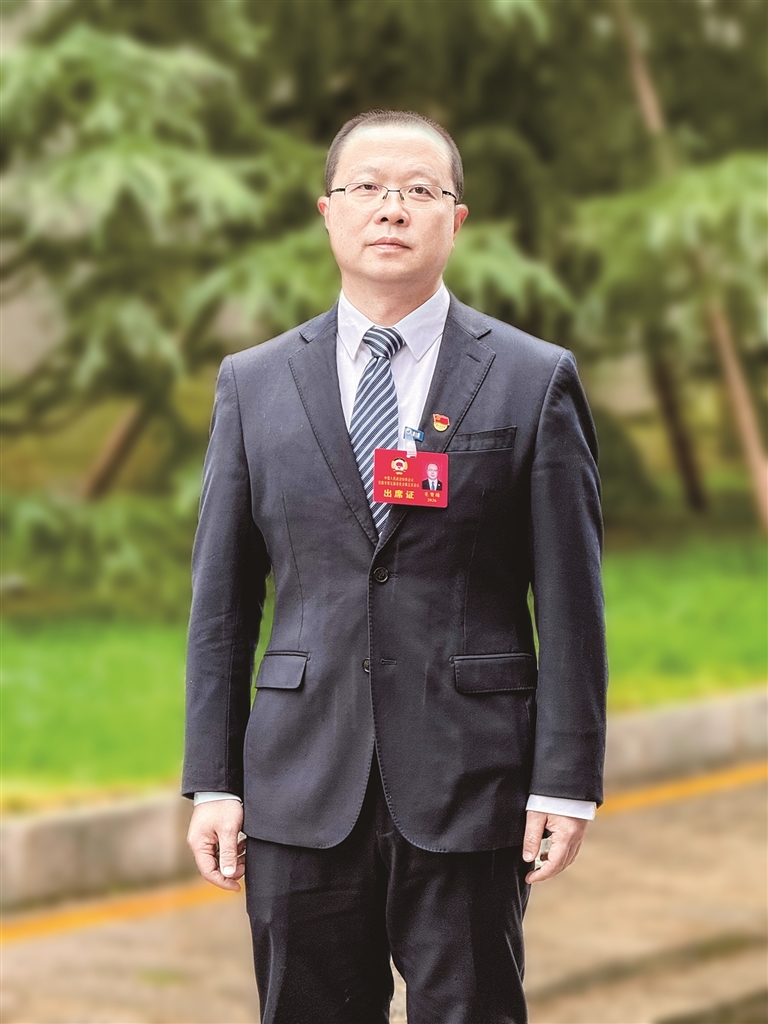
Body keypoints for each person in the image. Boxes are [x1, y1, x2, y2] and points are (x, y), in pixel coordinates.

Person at [183, 109, 607, 1024]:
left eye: (420, 190)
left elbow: (573, 603)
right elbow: (221, 604)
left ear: (456, 219)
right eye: (368, 187)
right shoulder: (253, 382)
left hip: (471, 780)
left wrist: (565, 781)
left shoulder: (532, 378)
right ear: (328, 212)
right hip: (299, 782)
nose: (392, 208)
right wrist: (214, 780)